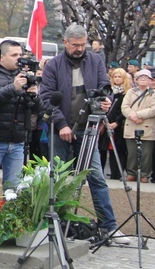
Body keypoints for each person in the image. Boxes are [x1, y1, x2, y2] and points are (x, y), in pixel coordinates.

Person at [39, 23, 130, 244]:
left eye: (83, 44)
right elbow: (46, 98)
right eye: (75, 45)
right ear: (66, 43)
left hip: (88, 127)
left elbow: (103, 87)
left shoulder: (96, 60)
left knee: (97, 177)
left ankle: (109, 226)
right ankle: (57, 225)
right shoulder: (53, 65)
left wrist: (104, 103)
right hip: (61, 127)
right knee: (58, 179)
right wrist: (61, 124)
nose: (80, 49)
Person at [0, 40, 40, 216]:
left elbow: (37, 109)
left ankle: (8, 228)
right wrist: (13, 88)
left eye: (20, 55)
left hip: (17, 141)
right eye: (14, 55)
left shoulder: (24, 76)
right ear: (2, 56)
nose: (18, 59)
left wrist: (34, 96)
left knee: (13, 188)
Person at [120, 69, 155, 183]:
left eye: (146, 78)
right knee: (131, 152)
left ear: (150, 80)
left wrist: (137, 115)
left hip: (146, 125)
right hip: (131, 124)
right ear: (136, 80)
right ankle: (131, 173)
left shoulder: (154, 93)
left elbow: (153, 110)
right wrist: (132, 116)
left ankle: (145, 174)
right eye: (140, 77)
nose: (143, 80)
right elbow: (124, 107)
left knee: (146, 153)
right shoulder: (130, 92)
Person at [107, 68, 132, 180]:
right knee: (111, 150)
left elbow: (126, 110)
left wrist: (117, 122)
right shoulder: (109, 91)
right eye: (115, 77)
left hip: (120, 125)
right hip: (108, 123)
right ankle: (113, 174)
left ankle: (120, 173)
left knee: (120, 150)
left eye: (119, 77)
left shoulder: (128, 92)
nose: (117, 79)